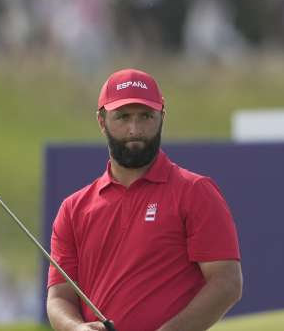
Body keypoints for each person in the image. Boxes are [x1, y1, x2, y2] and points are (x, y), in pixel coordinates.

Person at [46, 69, 242, 331]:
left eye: (146, 117)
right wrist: (75, 328)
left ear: (162, 117)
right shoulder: (73, 209)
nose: (134, 130)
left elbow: (227, 282)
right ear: (102, 121)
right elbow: (59, 297)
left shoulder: (195, 192)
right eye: (123, 117)